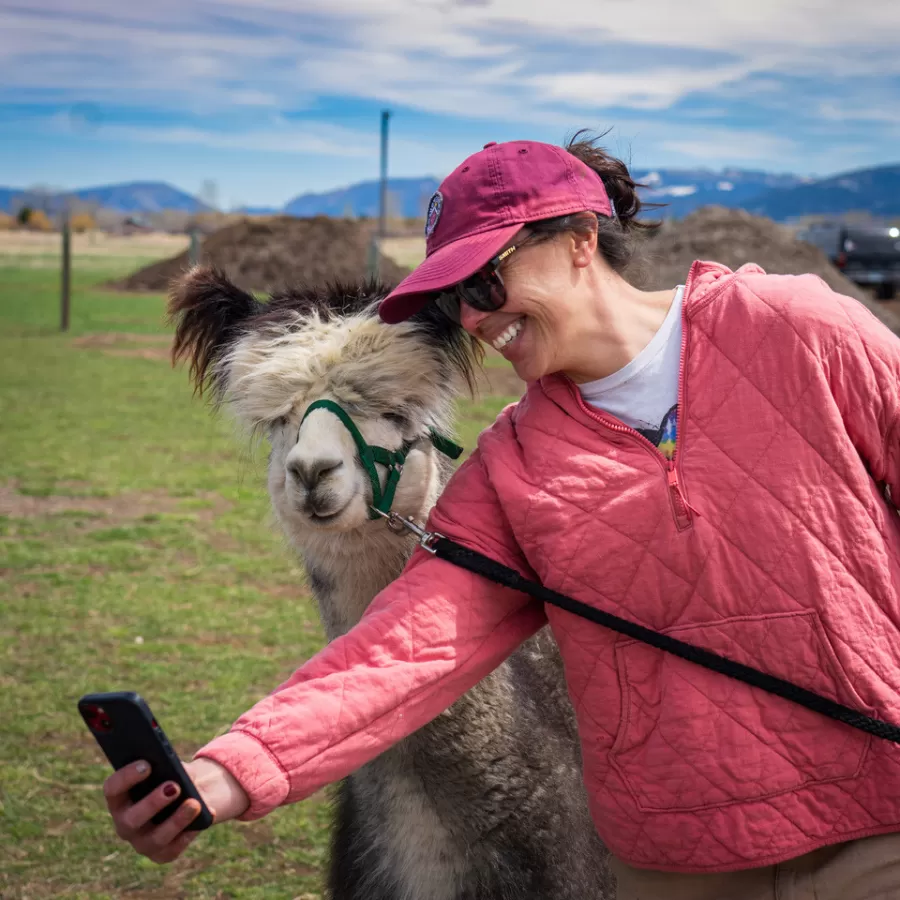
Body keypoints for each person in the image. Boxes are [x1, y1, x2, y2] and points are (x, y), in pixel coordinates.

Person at [101, 133, 900, 899]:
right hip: (681, 863)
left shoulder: (796, 330)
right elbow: (403, 650)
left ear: (582, 239)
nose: (476, 320)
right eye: (456, 300)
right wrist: (227, 772)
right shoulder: (517, 466)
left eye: (485, 283)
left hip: (880, 826)